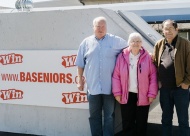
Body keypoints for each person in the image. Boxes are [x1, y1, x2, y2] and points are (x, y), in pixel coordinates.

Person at [75, 16, 127, 136]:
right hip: (92, 88)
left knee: (109, 116)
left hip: (109, 88)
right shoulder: (86, 43)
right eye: (98, 26)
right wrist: (79, 80)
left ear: (106, 27)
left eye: (103, 26)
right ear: (93, 27)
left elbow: (131, 47)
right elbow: (80, 64)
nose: (101, 29)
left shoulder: (115, 41)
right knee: (94, 116)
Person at [112, 32, 158, 136]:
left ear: (141, 43)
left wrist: (152, 94)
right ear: (129, 43)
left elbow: (153, 76)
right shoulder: (122, 57)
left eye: (138, 41)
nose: (135, 43)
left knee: (142, 122)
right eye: (133, 41)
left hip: (143, 94)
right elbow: (116, 76)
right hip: (127, 94)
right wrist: (117, 93)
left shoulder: (148, 57)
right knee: (128, 122)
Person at [153, 19, 190, 136]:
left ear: (176, 30)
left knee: (183, 120)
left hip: (180, 89)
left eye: (170, 29)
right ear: (162, 30)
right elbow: (155, 63)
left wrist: (186, 83)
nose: (168, 31)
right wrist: (158, 81)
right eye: (165, 29)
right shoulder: (159, 44)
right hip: (165, 89)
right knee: (166, 119)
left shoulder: (185, 44)